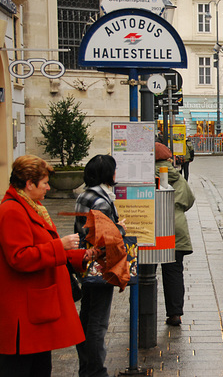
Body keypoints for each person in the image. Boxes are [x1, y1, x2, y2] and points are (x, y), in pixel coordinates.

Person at [0, 155, 90, 376]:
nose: (48, 188)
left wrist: (84, 256)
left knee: (40, 367)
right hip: (23, 314)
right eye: (44, 183)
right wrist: (60, 245)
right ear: (29, 184)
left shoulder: (32, 206)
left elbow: (51, 250)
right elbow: (19, 257)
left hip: (35, 310)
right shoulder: (12, 211)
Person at [74, 155, 125, 377]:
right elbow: (105, 238)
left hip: (85, 263)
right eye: (114, 170)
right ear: (108, 174)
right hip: (100, 266)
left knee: (87, 316)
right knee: (98, 321)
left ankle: (85, 367)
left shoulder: (84, 195)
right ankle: (96, 371)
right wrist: (120, 228)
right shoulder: (102, 201)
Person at [155, 142, 195, 326]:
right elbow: (189, 200)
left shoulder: (143, 174)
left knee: (145, 272)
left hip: (151, 226)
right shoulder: (178, 178)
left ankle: (142, 309)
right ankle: (175, 314)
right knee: (173, 271)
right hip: (175, 226)